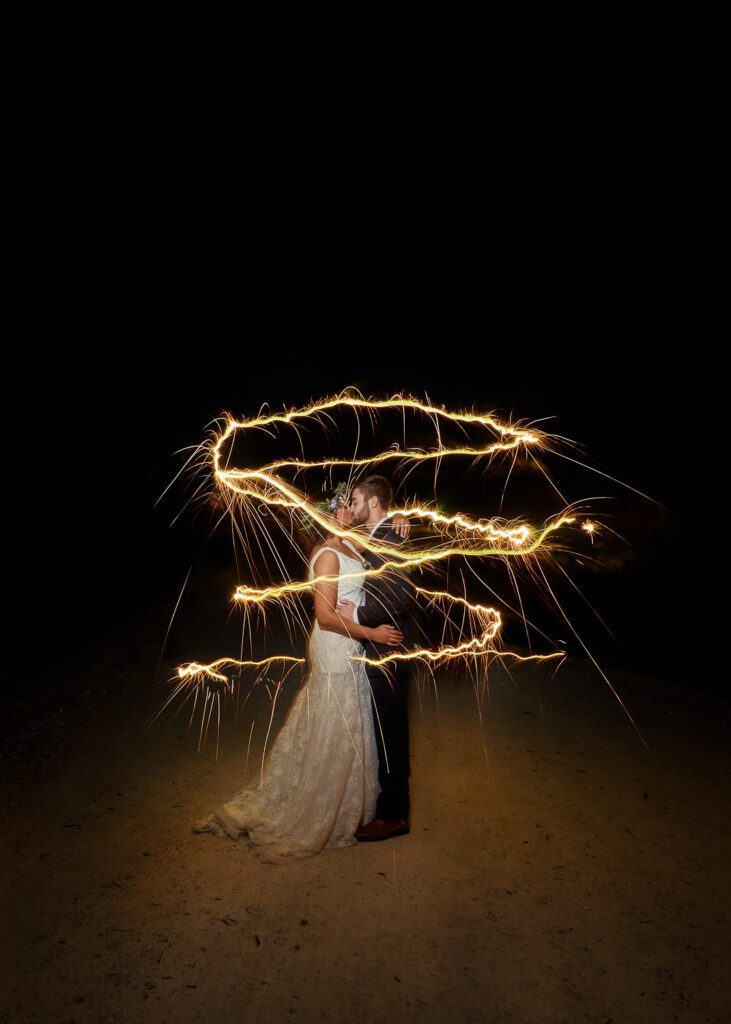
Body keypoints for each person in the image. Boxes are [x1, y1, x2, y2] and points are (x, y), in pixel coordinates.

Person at [192, 512, 403, 862]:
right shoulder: (328, 556)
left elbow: (381, 534)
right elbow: (325, 615)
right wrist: (373, 633)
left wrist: (399, 517)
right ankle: (317, 804)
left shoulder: (350, 546)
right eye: (342, 504)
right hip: (335, 647)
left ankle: (347, 800)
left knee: (349, 721)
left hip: (351, 648)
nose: (348, 508)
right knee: (333, 722)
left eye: (350, 502)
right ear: (328, 516)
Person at [337, 474, 418, 842]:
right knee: (386, 729)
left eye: (355, 500)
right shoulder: (377, 535)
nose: (351, 507)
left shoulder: (390, 536)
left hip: (389, 650)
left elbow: (399, 597)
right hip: (379, 649)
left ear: (373, 502)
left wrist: (356, 614)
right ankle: (390, 806)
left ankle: (394, 815)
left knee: (391, 733)